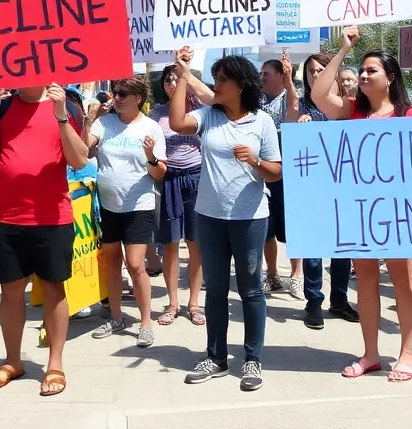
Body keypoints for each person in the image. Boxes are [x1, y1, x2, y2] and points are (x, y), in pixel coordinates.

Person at [312, 27, 412, 382]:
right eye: (361, 70)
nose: (363, 75)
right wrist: (343, 50)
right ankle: (371, 353)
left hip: (396, 211)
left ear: (390, 78)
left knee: (402, 280)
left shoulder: (409, 116)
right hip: (361, 210)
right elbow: (317, 94)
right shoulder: (351, 110)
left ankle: (407, 352)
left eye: (371, 70)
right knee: (368, 280)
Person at [170, 48, 280, 392]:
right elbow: (177, 123)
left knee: (250, 292)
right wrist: (181, 76)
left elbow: (276, 172)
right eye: (214, 79)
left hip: (249, 218)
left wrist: (255, 162)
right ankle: (215, 357)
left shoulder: (261, 122)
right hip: (210, 217)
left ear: (241, 85)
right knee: (214, 290)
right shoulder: (208, 116)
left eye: (222, 79)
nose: (216, 85)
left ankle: (252, 359)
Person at [0, 84, 86, 397]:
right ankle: (13, 361)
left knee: (54, 288)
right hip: (6, 218)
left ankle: (55, 362)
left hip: (53, 219)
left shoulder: (66, 107)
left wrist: (62, 116)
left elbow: (79, 160)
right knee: (11, 292)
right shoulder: (4, 106)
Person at [85, 76, 167, 348]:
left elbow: (159, 173)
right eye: (114, 92)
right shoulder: (104, 123)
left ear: (138, 99)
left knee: (134, 264)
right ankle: (117, 317)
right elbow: (85, 148)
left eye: (123, 94)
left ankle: (146, 322)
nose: (116, 98)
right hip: (108, 205)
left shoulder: (150, 128)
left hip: (138, 206)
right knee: (112, 263)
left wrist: (151, 157)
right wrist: (89, 119)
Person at [283, 52, 358, 328]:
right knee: (313, 248)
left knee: (342, 247)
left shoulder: (349, 106)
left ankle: (339, 301)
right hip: (313, 187)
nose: (316, 74)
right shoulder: (302, 105)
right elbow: (289, 129)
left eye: (321, 70)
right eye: (312, 71)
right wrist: (299, 126)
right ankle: (313, 302)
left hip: (344, 185)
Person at [150, 63, 212, 327]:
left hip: (198, 179)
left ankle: (195, 302)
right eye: (168, 80)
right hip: (169, 180)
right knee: (170, 245)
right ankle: (173, 303)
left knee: (196, 243)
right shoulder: (156, 115)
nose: (172, 83)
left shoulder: (202, 111)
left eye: (177, 78)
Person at [259, 57, 300, 299]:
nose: (262, 77)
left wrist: (289, 78)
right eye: (260, 73)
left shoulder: (291, 98)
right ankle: (272, 274)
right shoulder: (258, 100)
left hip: (289, 173)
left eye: (266, 73)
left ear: (280, 76)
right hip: (265, 170)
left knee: (292, 226)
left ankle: (296, 275)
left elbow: (295, 108)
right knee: (267, 227)